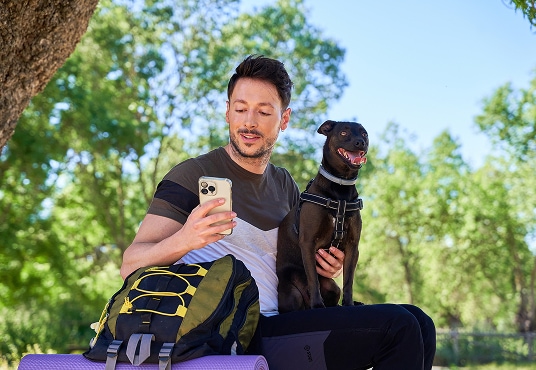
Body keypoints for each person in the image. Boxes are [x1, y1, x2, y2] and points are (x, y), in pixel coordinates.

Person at [121, 54, 436, 369]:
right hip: (230, 332)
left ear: (283, 120)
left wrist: (326, 265)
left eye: (263, 111)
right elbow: (130, 265)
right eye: (241, 109)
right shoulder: (193, 174)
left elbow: (296, 260)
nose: (249, 122)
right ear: (227, 112)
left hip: (287, 321)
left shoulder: (286, 184)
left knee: (420, 322)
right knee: (399, 325)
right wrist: (185, 238)